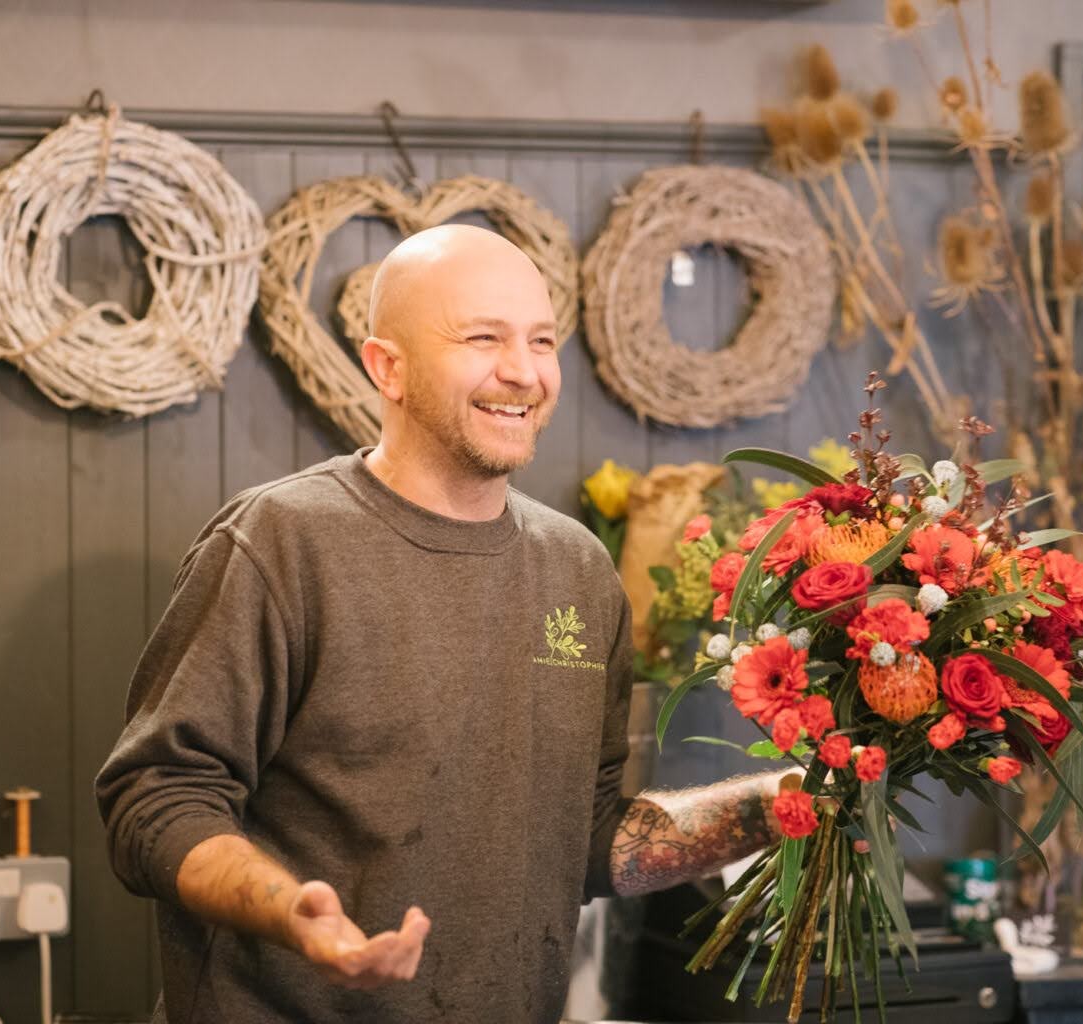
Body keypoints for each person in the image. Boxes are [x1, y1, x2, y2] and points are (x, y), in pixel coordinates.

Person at [96, 224, 786, 1023]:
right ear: (387, 366)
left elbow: (587, 842)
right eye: (482, 338)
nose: (523, 373)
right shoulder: (280, 542)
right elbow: (156, 799)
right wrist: (294, 914)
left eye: (540, 340)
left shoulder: (579, 570)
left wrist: (774, 804)